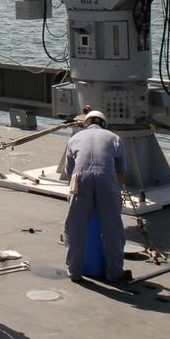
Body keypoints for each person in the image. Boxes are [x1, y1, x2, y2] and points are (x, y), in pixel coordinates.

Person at [63, 109, 130, 283]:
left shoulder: (74, 139)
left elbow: (69, 174)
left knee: (75, 228)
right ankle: (115, 273)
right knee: (112, 229)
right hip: (107, 180)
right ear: (104, 124)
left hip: (80, 179)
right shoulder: (115, 138)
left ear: (85, 124)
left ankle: (74, 272)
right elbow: (122, 175)